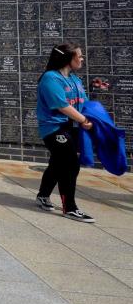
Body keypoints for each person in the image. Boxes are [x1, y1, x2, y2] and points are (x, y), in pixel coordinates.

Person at [35, 42, 95, 223]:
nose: (82, 59)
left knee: (57, 163)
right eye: (80, 56)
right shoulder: (50, 79)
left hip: (71, 128)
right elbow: (62, 105)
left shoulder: (75, 79)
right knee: (70, 164)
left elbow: (81, 102)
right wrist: (83, 120)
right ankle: (70, 207)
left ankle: (43, 196)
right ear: (68, 58)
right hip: (54, 128)